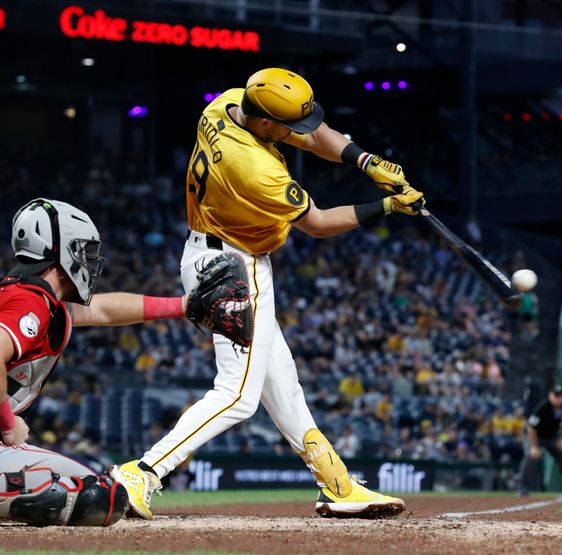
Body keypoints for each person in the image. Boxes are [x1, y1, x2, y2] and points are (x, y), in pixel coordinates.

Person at [113, 67, 424, 519]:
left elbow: (316, 135)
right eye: (286, 126)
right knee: (238, 394)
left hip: (213, 253)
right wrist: (388, 206)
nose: (297, 132)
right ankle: (142, 472)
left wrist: (364, 160)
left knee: (283, 381)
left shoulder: (228, 102)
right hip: (234, 268)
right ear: (264, 123)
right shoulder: (254, 169)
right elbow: (317, 224)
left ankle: (336, 484)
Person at [0, 198, 191, 526]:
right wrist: (8, 424)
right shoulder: (30, 299)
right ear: (57, 251)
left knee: (104, 494)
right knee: (92, 499)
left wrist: (184, 305)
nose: (87, 261)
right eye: (81, 250)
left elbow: (105, 309)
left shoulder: (36, 298)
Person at [517, 383, 562, 494]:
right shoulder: (542, 408)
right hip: (536, 437)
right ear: (550, 395)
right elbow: (531, 428)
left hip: (552, 437)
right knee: (531, 457)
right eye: (555, 395)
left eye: (560, 396)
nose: (558, 398)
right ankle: (523, 488)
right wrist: (534, 447)